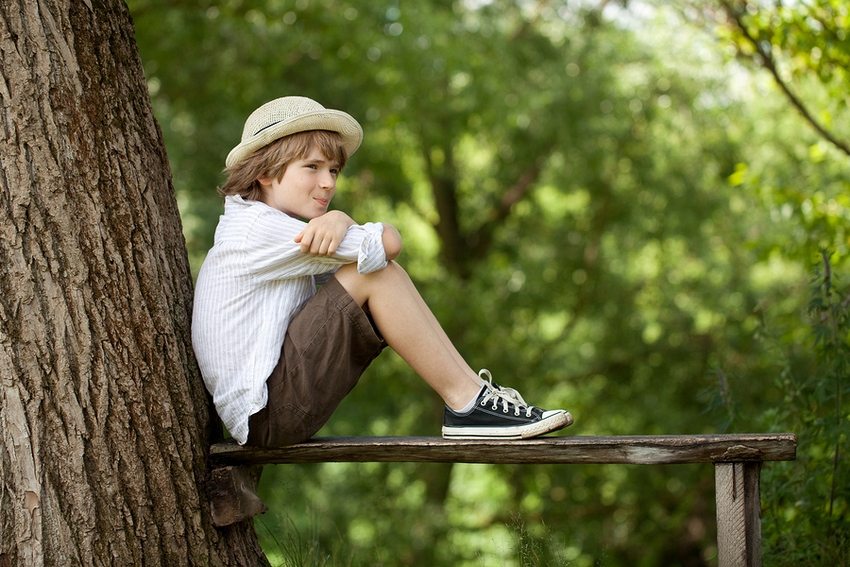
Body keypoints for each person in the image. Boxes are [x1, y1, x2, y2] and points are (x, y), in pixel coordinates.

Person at [191, 96, 573, 447]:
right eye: (312, 167)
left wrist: (341, 220)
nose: (328, 183)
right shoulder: (261, 230)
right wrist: (342, 219)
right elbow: (387, 244)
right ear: (266, 173)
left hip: (270, 409)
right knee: (374, 272)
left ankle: (472, 397)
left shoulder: (262, 224)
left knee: (372, 269)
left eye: (334, 170)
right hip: (268, 413)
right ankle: (468, 402)